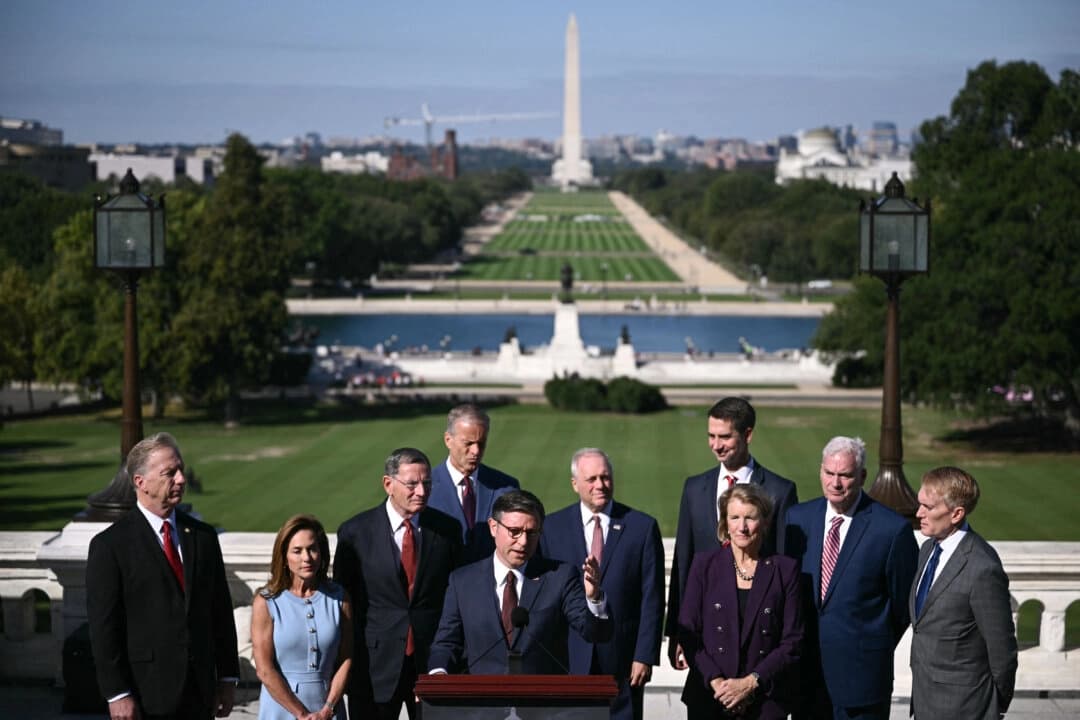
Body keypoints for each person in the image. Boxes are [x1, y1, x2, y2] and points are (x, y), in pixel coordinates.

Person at [86, 432, 239, 719]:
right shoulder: (110, 546)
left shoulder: (204, 537)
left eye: (181, 469)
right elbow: (104, 628)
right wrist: (117, 693)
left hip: (200, 692)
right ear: (140, 482)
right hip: (146, 695)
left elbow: (219, 611)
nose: (181, 479)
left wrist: (228, 678)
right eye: (170, 473)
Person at [783, 436, 918, 720]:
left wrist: (868, 643)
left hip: (862, 679)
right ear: (820, 471)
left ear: (862, 476)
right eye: (829, 473)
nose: (835, 483)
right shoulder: (796, 519)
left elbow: (903, 606)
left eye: (845, 475)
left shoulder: (891, 530)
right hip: (806, 679)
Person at [667, 397, 798, 671]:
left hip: (756, 632)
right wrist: (677, 631)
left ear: (747, 434)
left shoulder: (780, 491)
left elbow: (784, 566)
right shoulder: (694, 488)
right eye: (711, 436)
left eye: (725, 437)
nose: (716, 445)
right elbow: (683, 561)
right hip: (704, 634)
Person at [334, 448, 462, 719]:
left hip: (431, 665)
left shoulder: (447, 530)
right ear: (388, 484)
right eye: (412, 484)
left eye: (427, 483)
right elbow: (344, 604)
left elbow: (457, 597)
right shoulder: (355, 533)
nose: (422, 492)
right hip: (373, 669)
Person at [428, 489, 612, 675]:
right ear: (493, 527)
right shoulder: (463, 581)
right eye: (514, 532)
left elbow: (596, 634)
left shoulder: (559, 577)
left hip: (541, 692)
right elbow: (446, 643)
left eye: (531, 533)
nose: (523, 542)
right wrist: (438, 673)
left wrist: (594, 598)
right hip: (483, 692)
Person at [540, 448, 665, 720]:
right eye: (592, 479)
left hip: (622, 662)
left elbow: (652, 597)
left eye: (606, 477)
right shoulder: (551, 528)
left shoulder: (641, 527)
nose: (600, 485)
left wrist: (644, 655)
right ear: (575, 484)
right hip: (568, 659)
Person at [678, 484, 803, 719]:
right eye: (734, 518)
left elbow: (793, 641)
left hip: (764, 701)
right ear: (725, 523)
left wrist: (749, 684)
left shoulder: (785, 570)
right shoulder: (704, 565)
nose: (742, 527)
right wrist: (718, 684)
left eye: (750, 518)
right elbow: (688, 632)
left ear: (764, 522)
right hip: (710, 697)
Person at [909, 466, 1017, 719]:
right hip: (924, 699)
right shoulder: (927, 550)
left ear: (956, 513)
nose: (918, 513)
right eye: (920, 504)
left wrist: (996, 705)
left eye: (928, 507)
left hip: (966, 707)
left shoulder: (982, 567)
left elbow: (1002, 648)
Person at [252, 515, 352, 719]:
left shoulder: (340, 598)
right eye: (297, 551)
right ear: (284, 557)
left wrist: (327, 709)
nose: (307, 558)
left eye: (312, 549)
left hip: (328, 710)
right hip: (280, 710)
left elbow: (346, 659)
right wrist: (302, 714)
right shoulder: (266, 602)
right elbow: (264, 670)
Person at [428, 403, 519, 561]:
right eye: (468, 443)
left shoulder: (506, 487)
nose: (476, 451)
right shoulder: (424, 489)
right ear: (448, 440)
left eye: (481, 443)